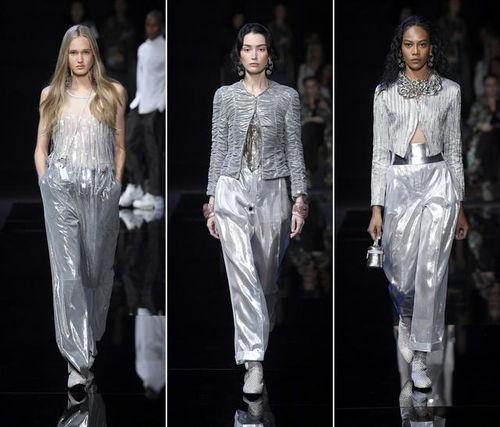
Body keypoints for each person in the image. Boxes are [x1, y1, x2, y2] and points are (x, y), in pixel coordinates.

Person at [204, 23, 308, 394]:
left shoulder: (287, 97)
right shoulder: (224, 96)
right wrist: (211, 200)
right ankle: (253, 362)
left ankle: (265, 316)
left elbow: (295, 149)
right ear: (239, 54)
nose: (253, 55)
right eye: (247, 48)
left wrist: (300, 199)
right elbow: (218, 147)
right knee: (242, 275)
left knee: (265, 279)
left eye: (260, 48)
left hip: (273, 189)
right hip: (231, 188)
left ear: (269, 54)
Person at [367, 16, 469, 389]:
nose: (415, 51)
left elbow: (455, 149)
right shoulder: (385, 93)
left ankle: (422, 356)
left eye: (422, 44)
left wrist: (460, 204)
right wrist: (376, 206)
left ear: (431, 48)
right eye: (409, 44)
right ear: (400, 49)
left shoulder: (450, 91)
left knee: (431, 270)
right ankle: (406, 315)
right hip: (400, 180)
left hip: (439, 180)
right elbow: (379, 152)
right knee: (400, 271)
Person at [34, 25, 127, 391]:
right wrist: (46, 182)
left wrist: (116, 184)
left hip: (101, 190)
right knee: (69, 273)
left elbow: (120, 146)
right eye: (73, 53)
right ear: (65, 56)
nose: (79, 59)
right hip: (61, 189)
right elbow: (41, 147)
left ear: (94, 55)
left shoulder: (112, 93)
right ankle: (76, 359)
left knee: (97, 273)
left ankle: (88, 338)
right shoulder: (51, 95)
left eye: (85, 52)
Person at [119, 10, 165, 210]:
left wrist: (161, 105)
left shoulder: (164, 49)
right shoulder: (142, 49)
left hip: (156, 106)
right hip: (140, 103)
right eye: (148, 25)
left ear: (161, 27)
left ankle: (154, 194)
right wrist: (137, 100)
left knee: (153, 151)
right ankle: (136, 184)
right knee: (128, 142)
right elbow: (140, 76)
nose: (150, 29)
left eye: (155, 25)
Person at [466, 75, 500, 200]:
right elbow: (471, 124)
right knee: (487, 137)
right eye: (488, 85)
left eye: (494, 85)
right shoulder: (478, 104)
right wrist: (480, 125)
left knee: (491, 134)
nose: (492, 88)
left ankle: (478, 161)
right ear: (485, 88)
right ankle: (487, 183)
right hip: (484, 141)